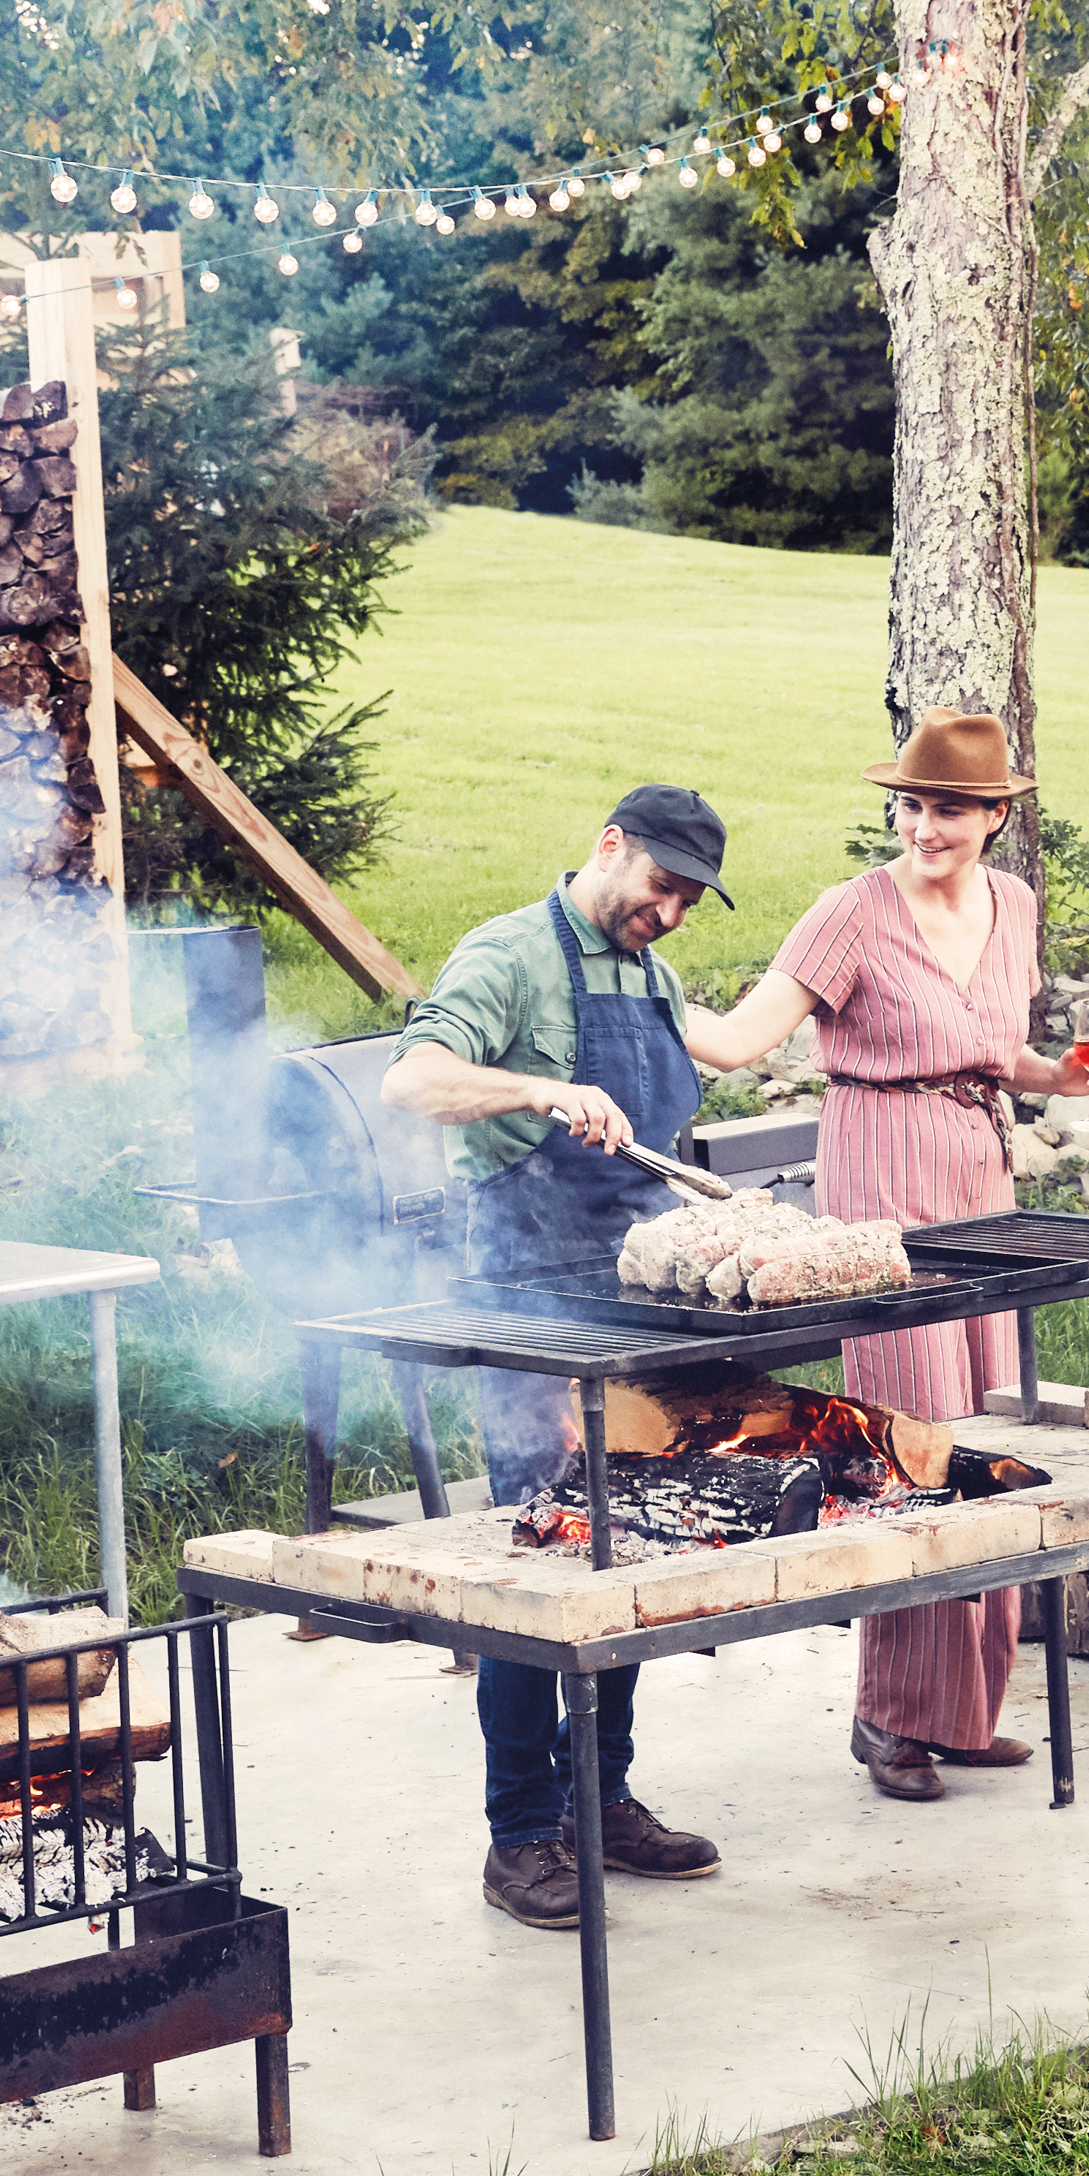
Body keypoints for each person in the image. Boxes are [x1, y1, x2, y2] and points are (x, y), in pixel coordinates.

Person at [683, 713, 1076, 1803]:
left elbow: (1000, 1052)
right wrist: (640, 989)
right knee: (912, 1440)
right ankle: (889, 1716)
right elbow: (739, 1037)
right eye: (911, 804)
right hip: (879, 1175)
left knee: (992, 1431)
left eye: (950, 807)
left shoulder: (1014, 906)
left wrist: (1059, 1078)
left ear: (997, 815)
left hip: (978, 1172)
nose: (924, 825)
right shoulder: (851, 913)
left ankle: (964, 1711)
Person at [382, 787, 732, 1930]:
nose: (671, 911)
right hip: (528, 1305)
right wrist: (539, 1085)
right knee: (542, 1564)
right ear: (608, 846)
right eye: (662, 885)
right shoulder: (511, 955)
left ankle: (601, 1795)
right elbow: (413, 1080)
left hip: (634, 1306)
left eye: (689, 898)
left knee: (628, 1551)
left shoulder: (653, 974)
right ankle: (521, 1833)